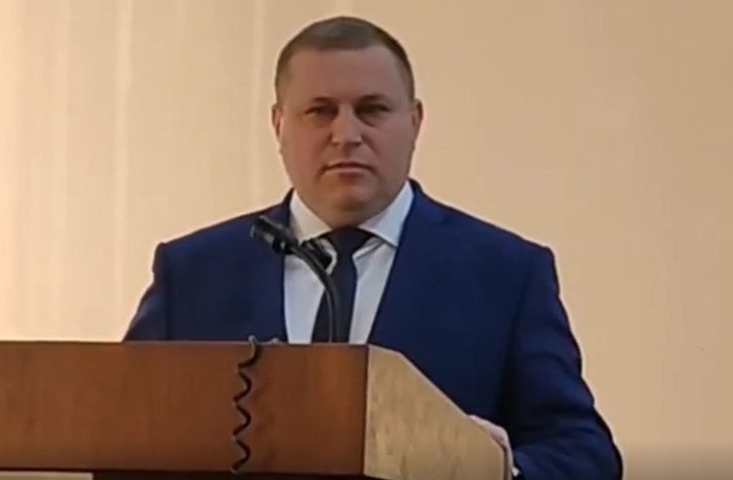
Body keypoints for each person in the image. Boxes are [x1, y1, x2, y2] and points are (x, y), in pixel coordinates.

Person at [124, 16, 622, 480]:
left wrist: (497, 469)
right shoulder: (193, 272)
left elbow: (584, 452)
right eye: (320, 111)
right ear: (278, 125)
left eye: (372, 110)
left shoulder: (505, 273)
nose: (346, 135)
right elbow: (123, 433)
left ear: (415, 122)